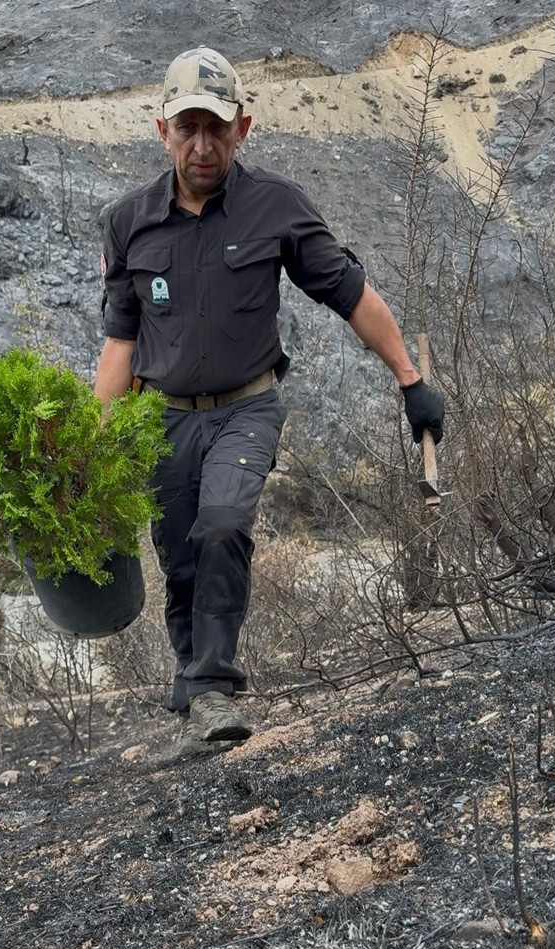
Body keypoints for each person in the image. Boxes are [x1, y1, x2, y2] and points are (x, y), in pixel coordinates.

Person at [94, 46, 444, 755]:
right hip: (160, 420)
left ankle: (213, 686)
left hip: (246, 408)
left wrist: (412, 382)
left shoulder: (276, 207)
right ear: (161, 128)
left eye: (216, 128)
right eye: (187, 127)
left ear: (242, 128)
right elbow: (120, 345)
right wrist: (91, 452)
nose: (201, 144)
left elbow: (350, 295)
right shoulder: (127, 222)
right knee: (181, 560)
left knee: (223, 522)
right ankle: (199, 699)